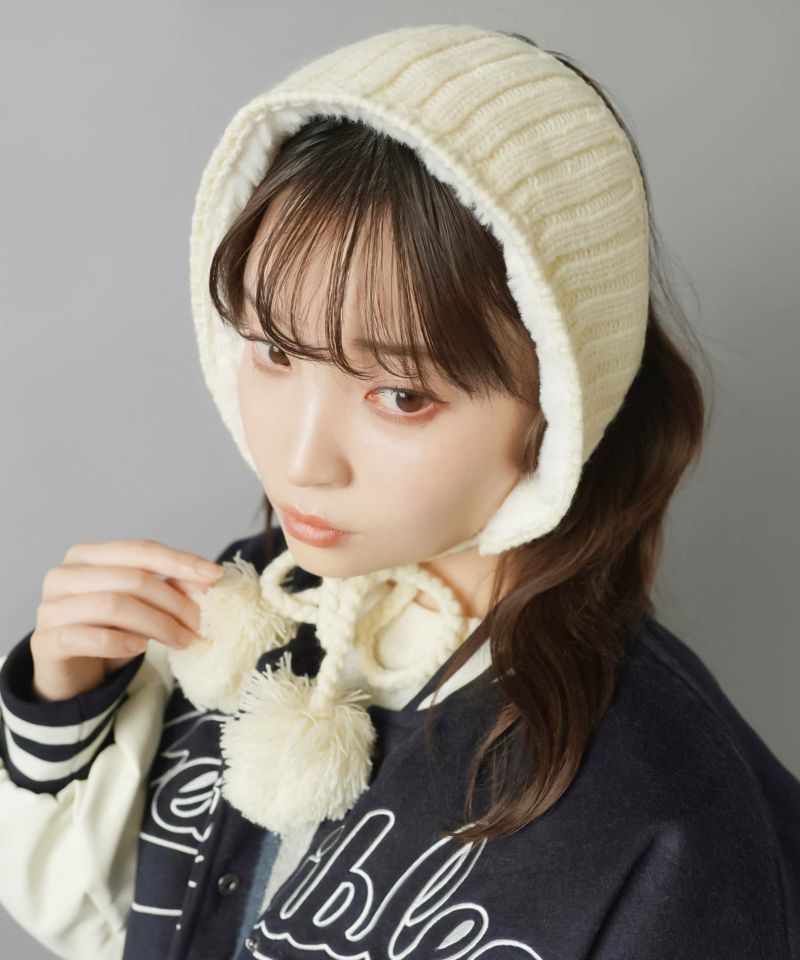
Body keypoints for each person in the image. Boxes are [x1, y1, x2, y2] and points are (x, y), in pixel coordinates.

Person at [1, 22, 798, 960]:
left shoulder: (674, 818)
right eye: (273, 351)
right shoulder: (258, 611)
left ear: (559, 396)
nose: (303, 460)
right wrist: (65, 704)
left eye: (400, 395)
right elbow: (120, 927)